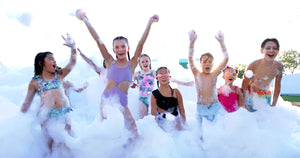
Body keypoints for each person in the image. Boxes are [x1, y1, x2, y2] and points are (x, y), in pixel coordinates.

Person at [75, 9, 159, 138]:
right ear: (113, 49)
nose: (120, 49)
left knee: (134, 132)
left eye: (123, 46)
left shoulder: (132, 64)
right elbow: (98, 40)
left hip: (122, 102)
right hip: (107, 101)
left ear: (128, 48)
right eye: (117, 47)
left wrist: (149, 24)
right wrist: (86, 20)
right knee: (107, 133)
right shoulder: (109, 61)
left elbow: (141, 43)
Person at [20, 34, 77, 156]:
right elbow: (27, 102)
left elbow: (72, 63)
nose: (54, 61)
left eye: (54, 58)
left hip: (64, 113)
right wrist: (19, 118)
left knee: (68, 143)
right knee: (49, 146)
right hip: (47, 116)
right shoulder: (35, 82)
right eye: (50, 59)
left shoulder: (59, 75)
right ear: (41, 63)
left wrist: (73, 47)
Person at [188, 30, 228, 139]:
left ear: (213, 64)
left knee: (216, 134)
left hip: (214, 107)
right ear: (200, 64)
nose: (207, 64)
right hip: (201, 108)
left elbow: (226, 59)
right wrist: (191, 42)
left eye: (210, 62)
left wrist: (221, 42)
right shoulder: (197, 74)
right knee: (200, 136)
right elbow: (190, 59)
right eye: (205, 61)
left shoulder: (214, 74)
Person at [242, 38, 283, 111]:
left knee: (264, 119)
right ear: (262, 51)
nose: (271, 50)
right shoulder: (254, 65)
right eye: (268, 48)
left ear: (278, 51)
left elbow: (277, 86)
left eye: (274, 48)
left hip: (265, 96)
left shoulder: (279, 67)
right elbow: (244, 85)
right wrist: (244, 103)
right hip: (251, 95)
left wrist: (274, 103)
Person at [131, 54, 156, 119]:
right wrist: (132, 84)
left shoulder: (153, 72)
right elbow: (130, 82)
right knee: (142, 119)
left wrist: (184, 83)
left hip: (151, 98)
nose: (145, 63)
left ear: (150, 61)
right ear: (139, 63)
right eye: (143, 62)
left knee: (152, 118)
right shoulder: (137, 74)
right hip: (142, 99)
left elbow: (163, 78)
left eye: (146, 61)